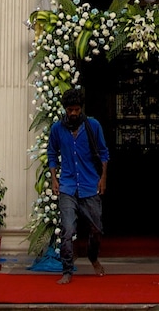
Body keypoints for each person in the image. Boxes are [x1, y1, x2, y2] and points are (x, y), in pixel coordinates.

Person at [47, 88, 110, 284]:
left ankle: (93, 257)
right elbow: (51, 154)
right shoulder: (57, 129)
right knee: (67, 230)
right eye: (69, 110)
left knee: (96, 229)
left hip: (90, 185)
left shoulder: (93, 126)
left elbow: (104, 152)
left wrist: (103, 178)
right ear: (65, 109)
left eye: (76, 109)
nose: (73, 113)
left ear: (80, 108)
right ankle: (67, 270)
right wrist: (54, 179)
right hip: (67, 186)